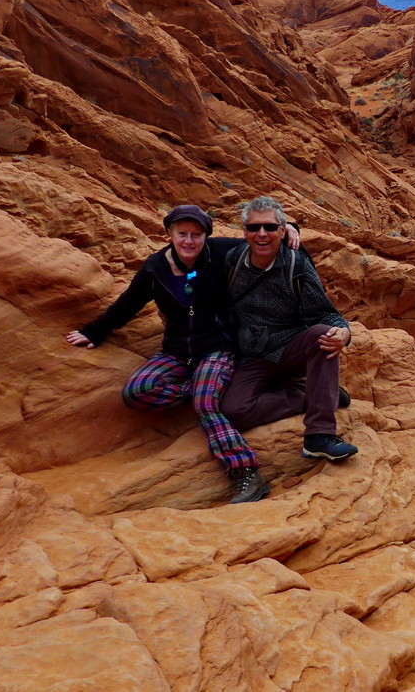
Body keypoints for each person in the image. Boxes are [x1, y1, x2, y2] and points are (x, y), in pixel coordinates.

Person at [66, 204, 296, 503]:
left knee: (205, 404)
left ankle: (246, 474)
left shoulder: (221, 253)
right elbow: (127, 304)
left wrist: (290, 228)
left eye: (196, 235)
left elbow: (262, 241)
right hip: (176, 352)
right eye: (182, 234)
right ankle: (206, 390)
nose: (189, 241)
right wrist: (94, 332)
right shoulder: (155, 268)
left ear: (205, 237)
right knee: (137, 392)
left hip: (217, 347)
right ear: (170, 234)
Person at [220, 195, 358, 462]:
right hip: (254, 354)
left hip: (292, 347)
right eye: (254, 227)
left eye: (270, 227)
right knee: (235, 411)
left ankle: (319, 436)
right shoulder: (232, 260)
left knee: (323, 334)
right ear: (244, 232)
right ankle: (309, 392)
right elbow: (192, 247)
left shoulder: (296, 265)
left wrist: (345, 333)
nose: (262, 234)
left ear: (282, 231)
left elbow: (326, 313)